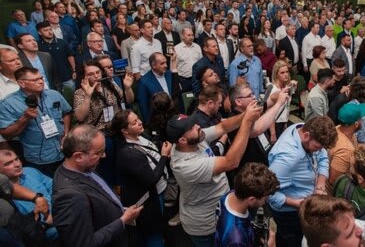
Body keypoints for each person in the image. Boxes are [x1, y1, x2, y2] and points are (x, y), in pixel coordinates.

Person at [167, 102, 262, 247]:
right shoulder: (185, 165)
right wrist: (247, 121)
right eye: (192, 127)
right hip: (204, 225)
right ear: (182, 140)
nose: (198, 126)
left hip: (217, 210)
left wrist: (245, 114)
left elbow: (222, 127)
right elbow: (231, 162)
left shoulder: (194, 139)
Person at [52, 125, 143, 247]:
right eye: (98, 152)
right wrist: (122, 220)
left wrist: (118, 210)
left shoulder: (83, 167)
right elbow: (84, 243)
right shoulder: (70, 196)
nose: (104, 155)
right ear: (78, 156)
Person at [268, 116, 336, 247]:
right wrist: (297, 204)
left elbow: (323, 157)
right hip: (289, 214)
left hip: (302, 205)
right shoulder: (287, 159)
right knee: (292, 240)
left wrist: (320, 185)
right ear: (306, 136)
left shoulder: (302, 126)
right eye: (317, 147)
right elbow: (267, 193)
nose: (320, 150)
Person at [112, 110, 172, 247]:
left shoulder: (140, 135)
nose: (140, 122)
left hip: (158, 192)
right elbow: (150, 180)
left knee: (160, 222)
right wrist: (163, 156)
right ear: (125, 131)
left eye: (138, 118)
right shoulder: (128, 154)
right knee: (153, 231)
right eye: (134, 122)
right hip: (149, 199)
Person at [0, 67, 72, 177]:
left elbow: (66, 113)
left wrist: (66, 133)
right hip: (38, 158)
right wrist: (24, 118)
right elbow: (7, 134)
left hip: (63, 152)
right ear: (21, 83)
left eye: (41, 78)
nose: (41, 81)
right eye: (35, 80)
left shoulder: (53, 94)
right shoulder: (8, 103)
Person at [0, 147, 59, 241]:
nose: (17, 164)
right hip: (39, 231)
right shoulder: (4, 195)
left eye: (16, 159)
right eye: (8, 163)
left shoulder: (30, 171)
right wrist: (45, 223)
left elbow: (55, 188)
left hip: (60, 214)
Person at [215, 162, 279, 247]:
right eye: (265, 198)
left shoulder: (230, 195)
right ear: (251, 199)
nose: (266, 200)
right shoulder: (236, 240)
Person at [326, 102, 365, 190]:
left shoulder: (339, 129)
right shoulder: (345, 150)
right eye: (361, 118)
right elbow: (333, 180)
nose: (362, 121)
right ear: (356, 124)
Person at [137, 52, 178, 124]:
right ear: (153, 66)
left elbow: (177, 95)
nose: (166, 65)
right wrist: (149, 124)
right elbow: (144, 106)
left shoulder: (169, 74)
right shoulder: (144, 82)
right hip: (158, 121)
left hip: (174, 115)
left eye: (166, 62)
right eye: (162, 63)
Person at [36, 21, 76, 92]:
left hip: (66, 76)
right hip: (50, 80)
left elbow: (70, 56)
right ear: (39, 33)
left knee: (72, 96)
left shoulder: (62, 42)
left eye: (50, 29)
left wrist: (74, 70)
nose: (49, 32)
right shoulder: (38, 46)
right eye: (45, 30)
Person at [174, 27, 203, 93]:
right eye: (188, 35)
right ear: (183, 36)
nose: (191, 37)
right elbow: (173, 66)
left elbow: (201, 63)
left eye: (192, 35)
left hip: (196, 79)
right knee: (185, 100)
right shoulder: (176, 48)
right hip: (183, 80)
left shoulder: (197, 47)